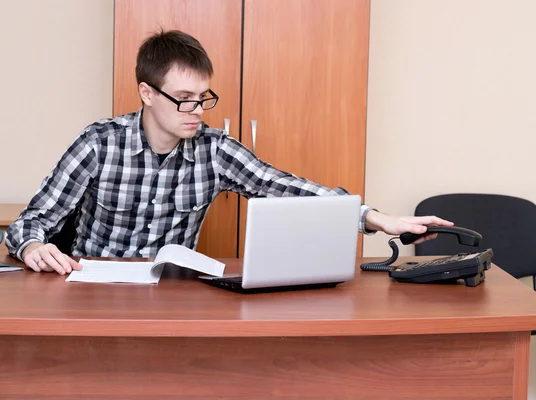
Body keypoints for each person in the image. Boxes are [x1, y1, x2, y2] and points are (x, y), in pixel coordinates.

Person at [5, 30, 453, 275]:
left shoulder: (214, 149)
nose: (196, 110)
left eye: (203, 97)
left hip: (171, 294)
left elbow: (286, 188)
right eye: (184, 97)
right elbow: (32, 220)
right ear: (146, 92)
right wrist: (32, 247)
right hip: (92, 288)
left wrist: (377, 219)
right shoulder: (98, 143)